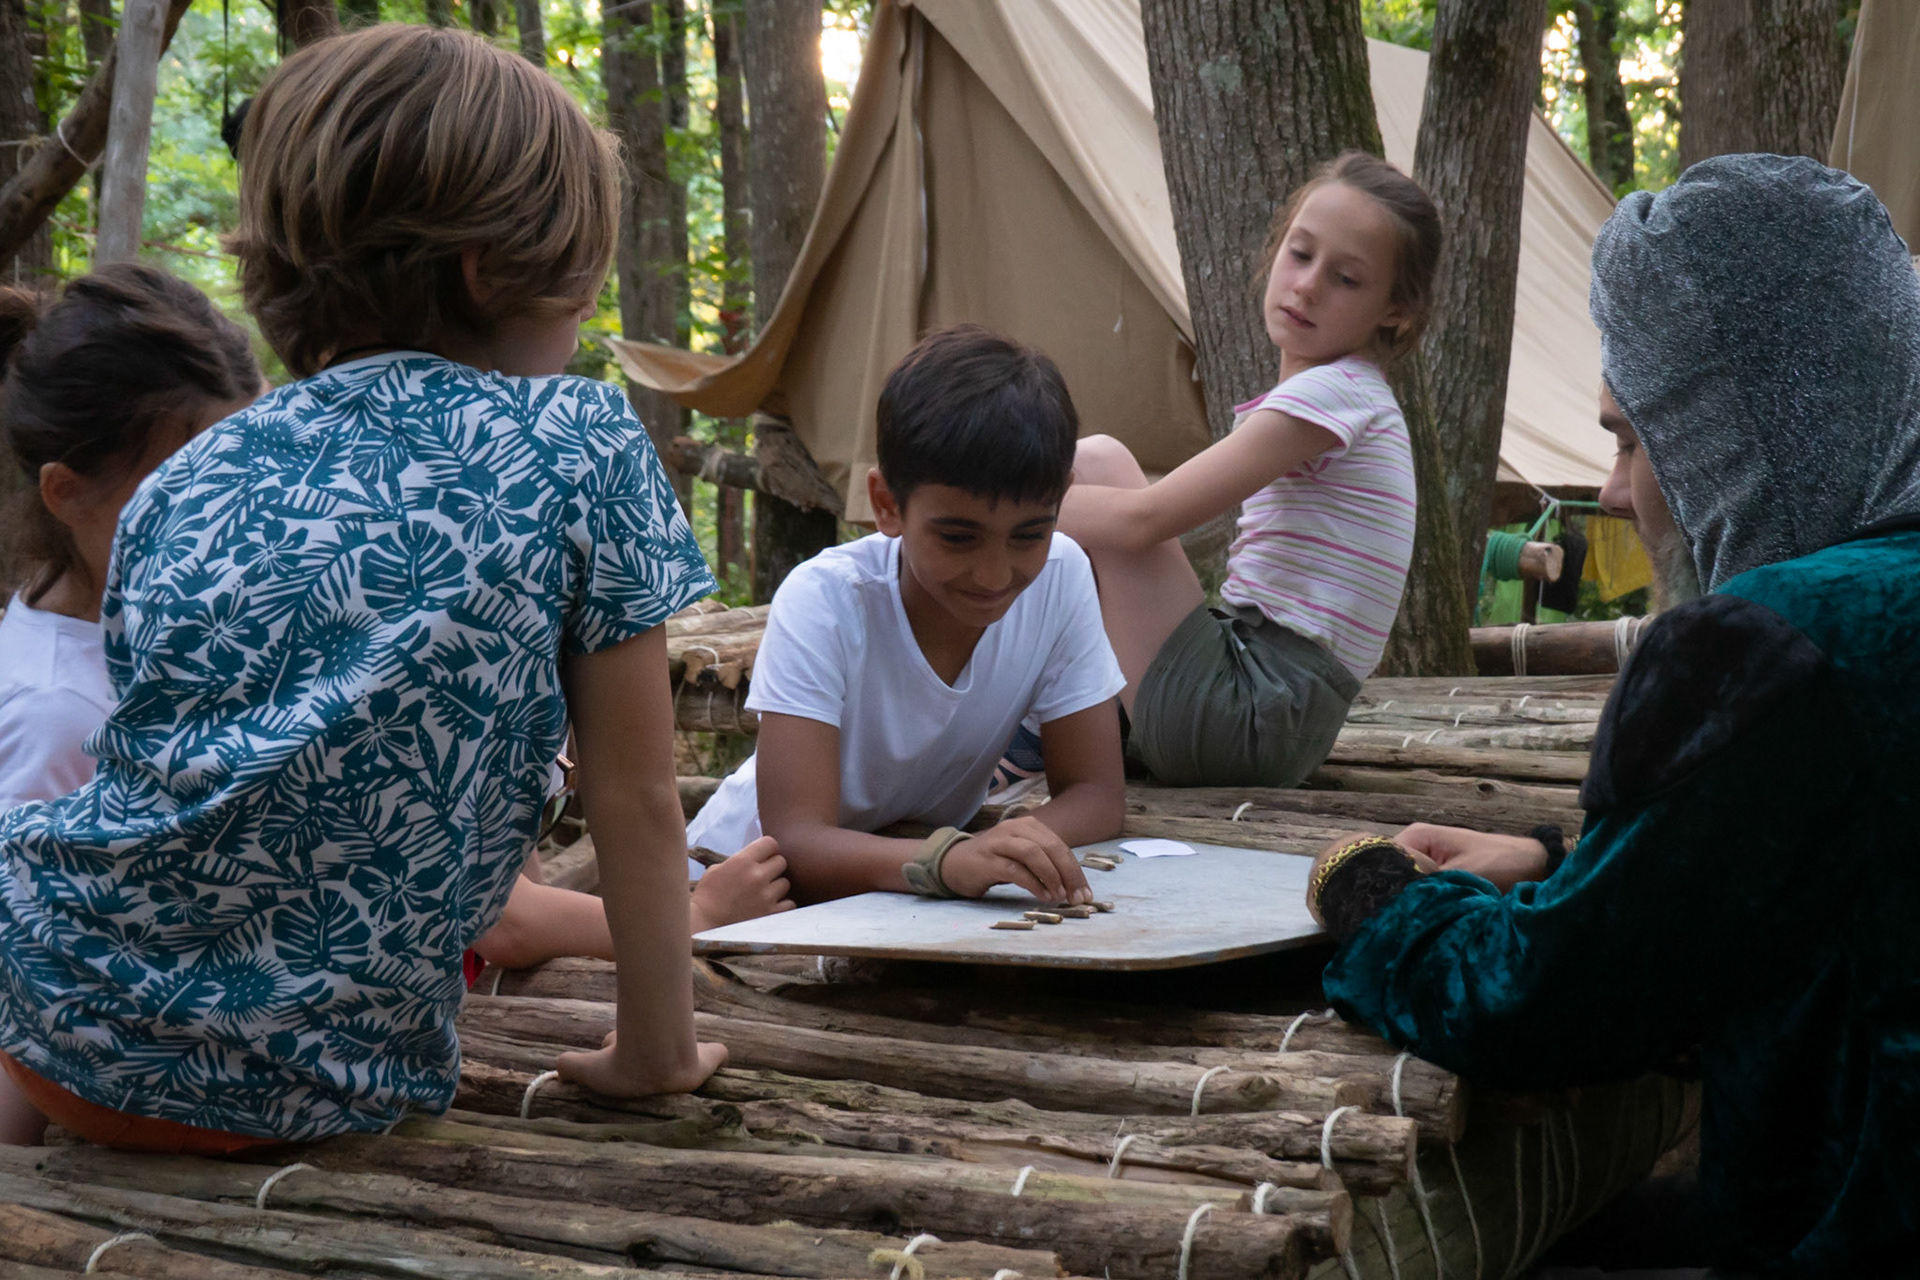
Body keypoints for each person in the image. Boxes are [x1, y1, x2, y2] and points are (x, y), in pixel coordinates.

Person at [0, 26, 727, 1154]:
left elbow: (169, 760)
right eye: (581, 292)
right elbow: (634, 798)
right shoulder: (579, 442)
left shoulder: (188, 475)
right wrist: (658, 1054)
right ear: (491, 271)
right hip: (320, 1087)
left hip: (54, 1024)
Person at [1308, 155, 1920, 1278]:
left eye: (1634, 437)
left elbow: (1534, 1007)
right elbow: (1832, 869)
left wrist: (1368, 887)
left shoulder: (1780, 640)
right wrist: (1561, 856)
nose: (1616, 493)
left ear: (1745, 433)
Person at [687, 326, 1127, 905]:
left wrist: (1002, 850)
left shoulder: (1061, 574)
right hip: (739, 892)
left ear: (1060, 502)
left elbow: (1097, 794)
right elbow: (794, 838)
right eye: (958, 537)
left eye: (1029, 534)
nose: (995, 574)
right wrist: (949, 859)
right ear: (887, 504)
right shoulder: (825, 600)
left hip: (901, 891)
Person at [1056, 151, 1440, 789]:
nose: (1308, 285)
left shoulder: (1337, 396)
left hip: (1250, 713)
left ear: (1395, 310)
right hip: (1276, 720)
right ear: (1276, 250)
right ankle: (1029, 717)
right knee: (1096, 478)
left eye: (1346, 279)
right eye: (1300, 254)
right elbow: (1193, 536)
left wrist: (982, 508)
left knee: (1099, 462)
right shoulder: (1353, 399)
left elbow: (1145, 520)